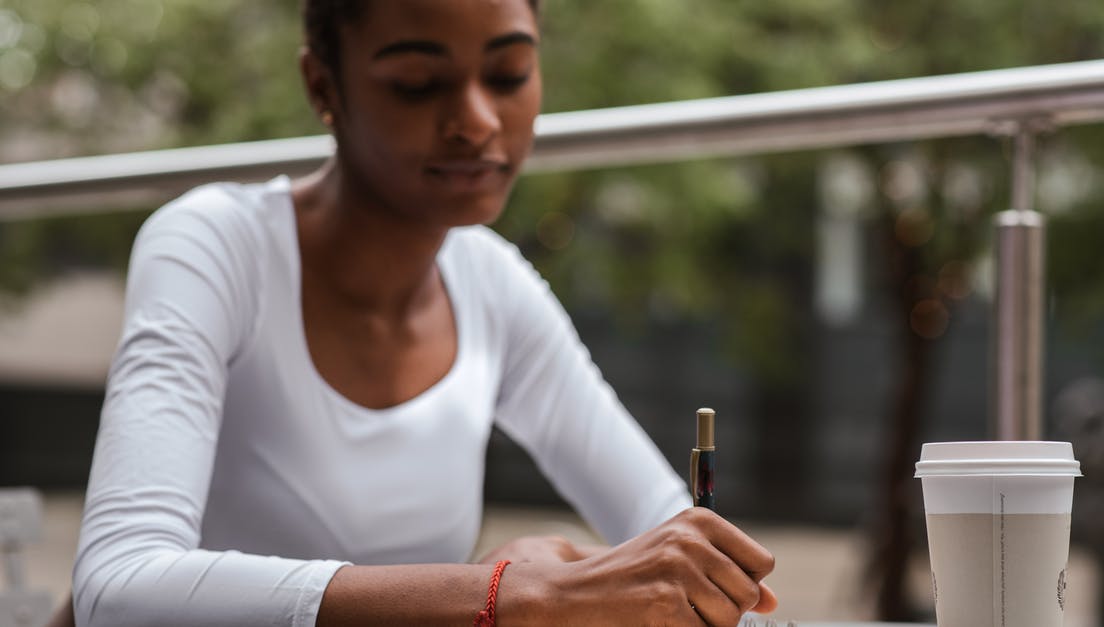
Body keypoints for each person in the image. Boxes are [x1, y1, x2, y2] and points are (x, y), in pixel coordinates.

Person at [70, 1, 777, 625]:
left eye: (508, 76)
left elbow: (671, 538)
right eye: (418, 83)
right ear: (324, 86)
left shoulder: (491, 284)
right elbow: (120, 588)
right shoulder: (216, 248)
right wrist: (510, 593)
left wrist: (553, 560)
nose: (476, 120)